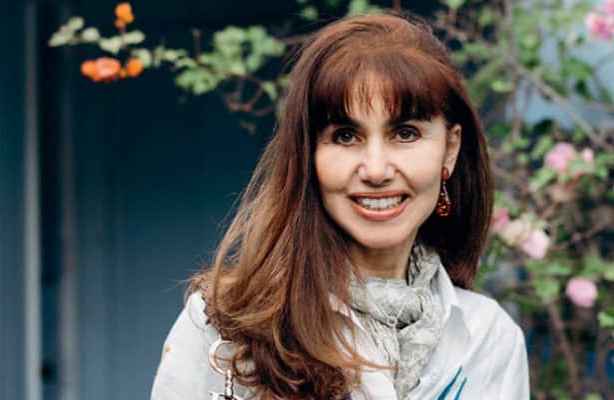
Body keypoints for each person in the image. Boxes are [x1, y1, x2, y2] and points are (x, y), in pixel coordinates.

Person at [151, 11, 529, 400]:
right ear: (308, 154)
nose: (376, 170)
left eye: (405, 133)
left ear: (449, 149)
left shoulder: (489, 340)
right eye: (346, 135)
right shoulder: (224, 327)